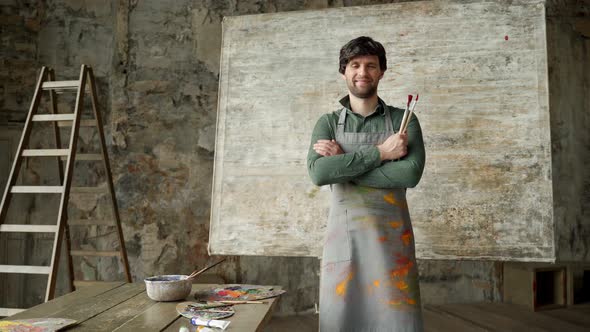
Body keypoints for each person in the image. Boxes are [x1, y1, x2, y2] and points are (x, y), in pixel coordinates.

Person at [307, 36, 425, 331]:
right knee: (343, 321)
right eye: (355, 65)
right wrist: (382, 153)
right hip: (345, 242)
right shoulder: (328, 123)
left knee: (397, 322)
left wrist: (343, 166)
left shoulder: (404, 120)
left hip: (393, 242)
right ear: (344, 71)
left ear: (382, 71)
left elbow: (409, 175)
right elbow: (319, 174)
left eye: (371, 66)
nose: (363, 72)